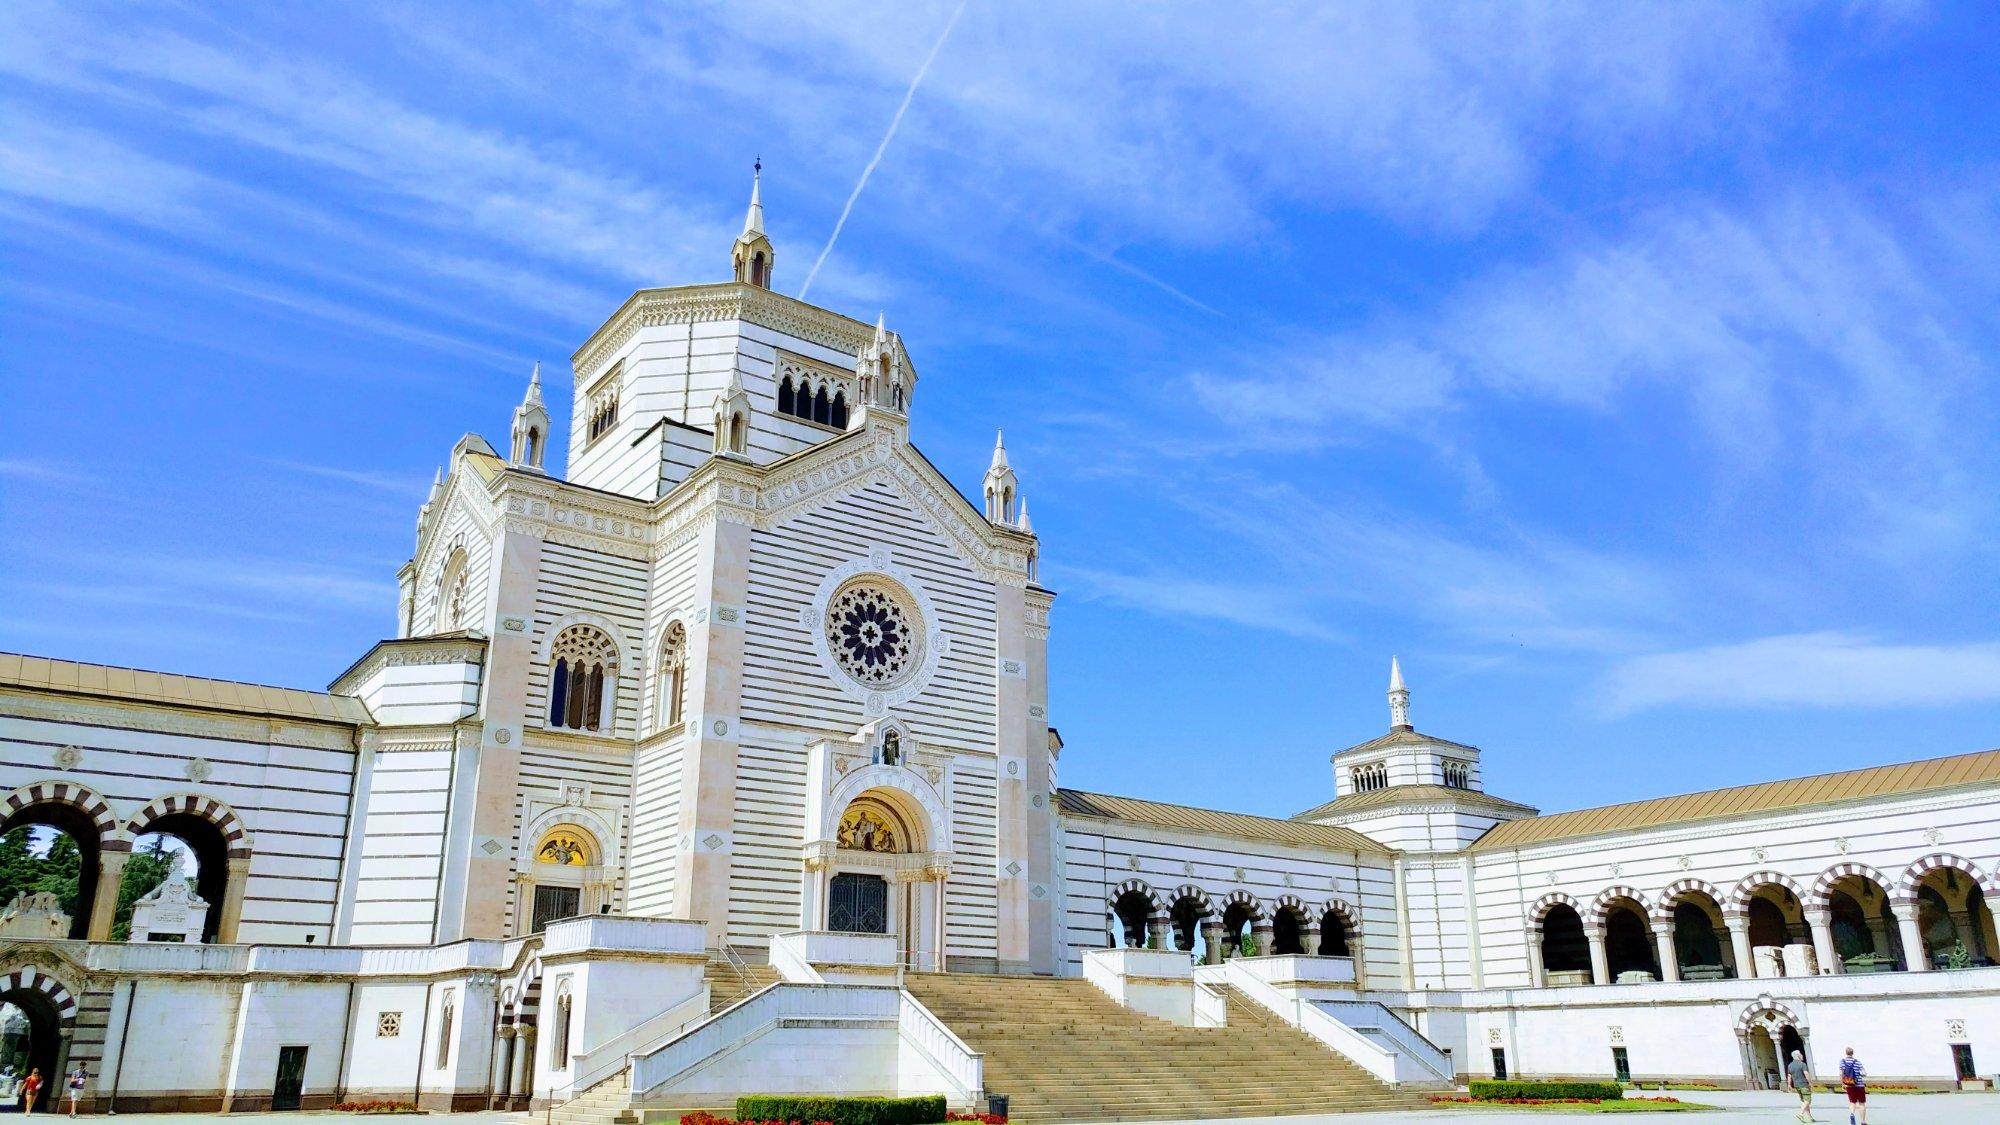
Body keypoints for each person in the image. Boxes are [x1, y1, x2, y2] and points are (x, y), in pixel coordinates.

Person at [1839, 1047, 1867, 1125]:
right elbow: (1864, 1073)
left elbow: (1841, 1073)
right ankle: (1863, 1121)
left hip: (1849, 1085)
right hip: (1859, 1085)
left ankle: (1852, 1113)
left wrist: (1843, 1083)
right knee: (1861, 1103)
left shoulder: (1842, 1062)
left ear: (1846, 1053)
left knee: (1852, 1102)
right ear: (1853, 1053)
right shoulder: (1857, 1062)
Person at [1786, 1050, 1814, 1123]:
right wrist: (1810, 1082)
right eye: (1801, 1054)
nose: (1802, 1055)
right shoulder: (1802, 1064)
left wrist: (1789, 1085)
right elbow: (1806, 1073)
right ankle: (1800, 1114)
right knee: (1807, 1100)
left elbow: (1789, 1076)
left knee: (1805, 1101)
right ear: (1798, 1056)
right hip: (1804, 1084)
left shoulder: (1790, 1065)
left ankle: (1809, 1117)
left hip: (1796, 1085)